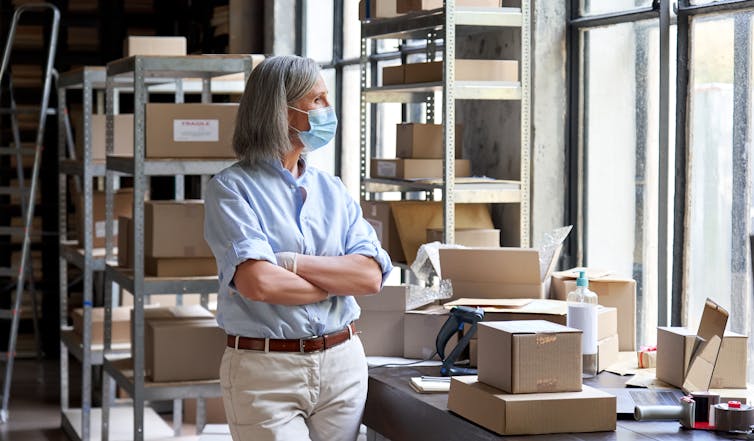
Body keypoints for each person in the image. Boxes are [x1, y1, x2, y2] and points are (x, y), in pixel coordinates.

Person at [204, 55, 392, 441]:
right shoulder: (230, 189)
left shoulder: (333, 189)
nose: (329, 110)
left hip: (342, 362)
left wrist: (288, 262)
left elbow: (370, 275)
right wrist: (333, 283)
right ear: (281, 112)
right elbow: (258, 283)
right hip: (266, 369)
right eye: (318, 100)